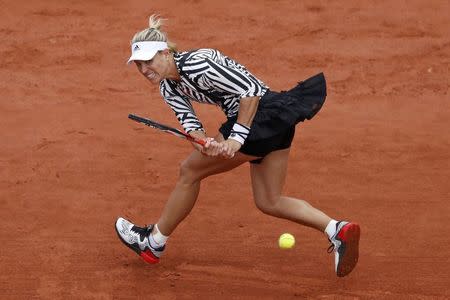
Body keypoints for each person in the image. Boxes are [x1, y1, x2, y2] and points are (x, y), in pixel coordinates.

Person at [115, 15, 360, 277]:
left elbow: (251, 90)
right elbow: (189, 121)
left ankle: (153, 242)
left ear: (164, 53)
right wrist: (203, 143)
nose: (144, 70)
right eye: (139, 65)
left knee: (189, 171)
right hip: (271, 124)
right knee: (269, 200)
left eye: (148, 61)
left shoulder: (199, 63)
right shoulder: (168, 87)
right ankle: (337, 230)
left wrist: (236, 138)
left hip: (262, 114)